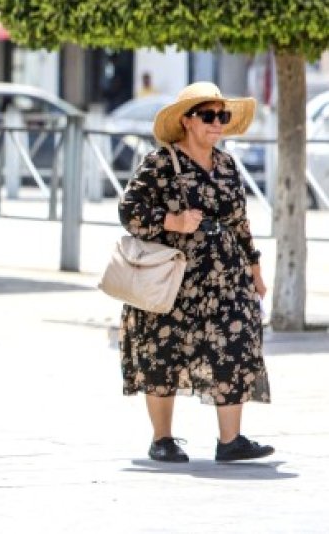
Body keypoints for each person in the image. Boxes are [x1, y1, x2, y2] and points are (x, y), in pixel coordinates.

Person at [118, 82, 274, 463]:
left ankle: (231, 440)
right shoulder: (159, 163)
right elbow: (129, 211)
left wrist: (254, 268)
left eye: (222, 116)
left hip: (226, 275)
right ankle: (162, 439)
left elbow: (240, 222)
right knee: (162, 351)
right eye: (208, 116)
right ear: (187, 121)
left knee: (236, 346)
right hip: (173, 277)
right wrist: (174, 220)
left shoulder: (226, 165)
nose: (217, 123)